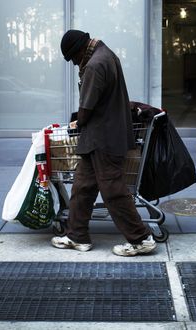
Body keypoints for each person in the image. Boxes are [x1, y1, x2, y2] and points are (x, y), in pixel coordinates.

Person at [51, 29, 157, 257]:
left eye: (72, 59)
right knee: (82, 186)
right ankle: (76, 235)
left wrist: (76, 122)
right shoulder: (106, 54)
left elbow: (87, 108)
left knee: (113, 190)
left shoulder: (95, 65)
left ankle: (140, 239)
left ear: (79, 50)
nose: (74, 64)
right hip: (100, 136)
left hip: (104, 137)